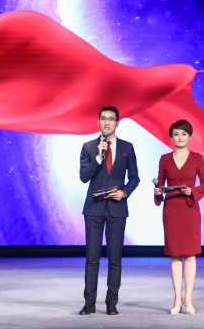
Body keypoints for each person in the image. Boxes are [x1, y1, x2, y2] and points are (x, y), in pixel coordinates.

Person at [79, 106, 139, 316]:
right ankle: (89, 303)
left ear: (117, 123)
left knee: (115, 259)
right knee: (92, 258)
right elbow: (84, 177)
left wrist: (124, 192)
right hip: (93, 208)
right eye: (103, 118)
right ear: (98, 122)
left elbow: (135, 178)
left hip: (117, 209)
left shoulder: (127, 147)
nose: (107, 122)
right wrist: (98, 157)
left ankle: (111, 303)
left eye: (111, 119)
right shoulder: (88, 147)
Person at [154, 119, 204, 315]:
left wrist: (192, 191)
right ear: (171, 137)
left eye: (184, 134)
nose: (180, 137)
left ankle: (189, 299)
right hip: (171, 209)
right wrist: (157, 191)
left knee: (191, 255)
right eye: (176, 134)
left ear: (189, 137)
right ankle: (177, 299)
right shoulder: (164, 159)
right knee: (175, 254)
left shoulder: (197, 158)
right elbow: (160, 185)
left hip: (190, 209)